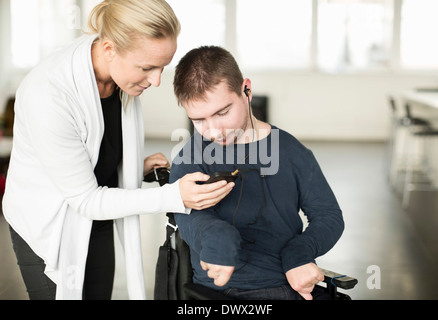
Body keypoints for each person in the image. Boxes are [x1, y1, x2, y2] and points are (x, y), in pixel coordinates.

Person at [3, 1, 233, 300]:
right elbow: (84, 198)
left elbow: (91, 154)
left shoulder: (119, 77)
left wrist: (133, 168)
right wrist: (174, 197)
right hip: (51, 224)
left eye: (163, 67)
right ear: (110, 49)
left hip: (95, 215)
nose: (156, 80)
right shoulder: (48, 94)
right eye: (147, 68)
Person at [170, 46, 344, 300]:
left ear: (246, 90)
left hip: (285, 285)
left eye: (222, 112)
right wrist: (217, 237)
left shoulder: (291, 151)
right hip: (217, 292)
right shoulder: (190, 156)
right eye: (199, 120)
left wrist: (300, 253)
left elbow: (328, 216)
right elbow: (186, 216)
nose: (214, 130)